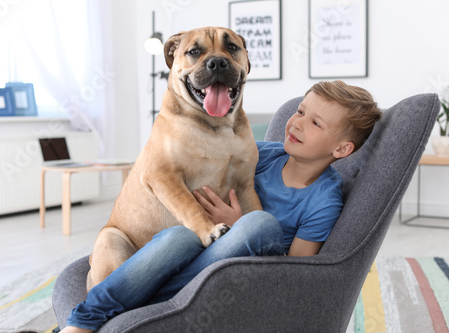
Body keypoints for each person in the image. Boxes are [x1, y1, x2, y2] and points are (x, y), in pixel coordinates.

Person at [60, 80, 382, 332]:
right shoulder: (260, 154)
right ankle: (85, 318)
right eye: (299, 111)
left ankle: (139, 300)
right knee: (179, 235)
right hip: (203, 257)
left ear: (342, 148)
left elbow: (298, 269)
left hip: (250, 272)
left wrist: (240, 225)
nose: (296, 123)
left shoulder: (324, 199)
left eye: (315, 123)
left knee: (260, 224)